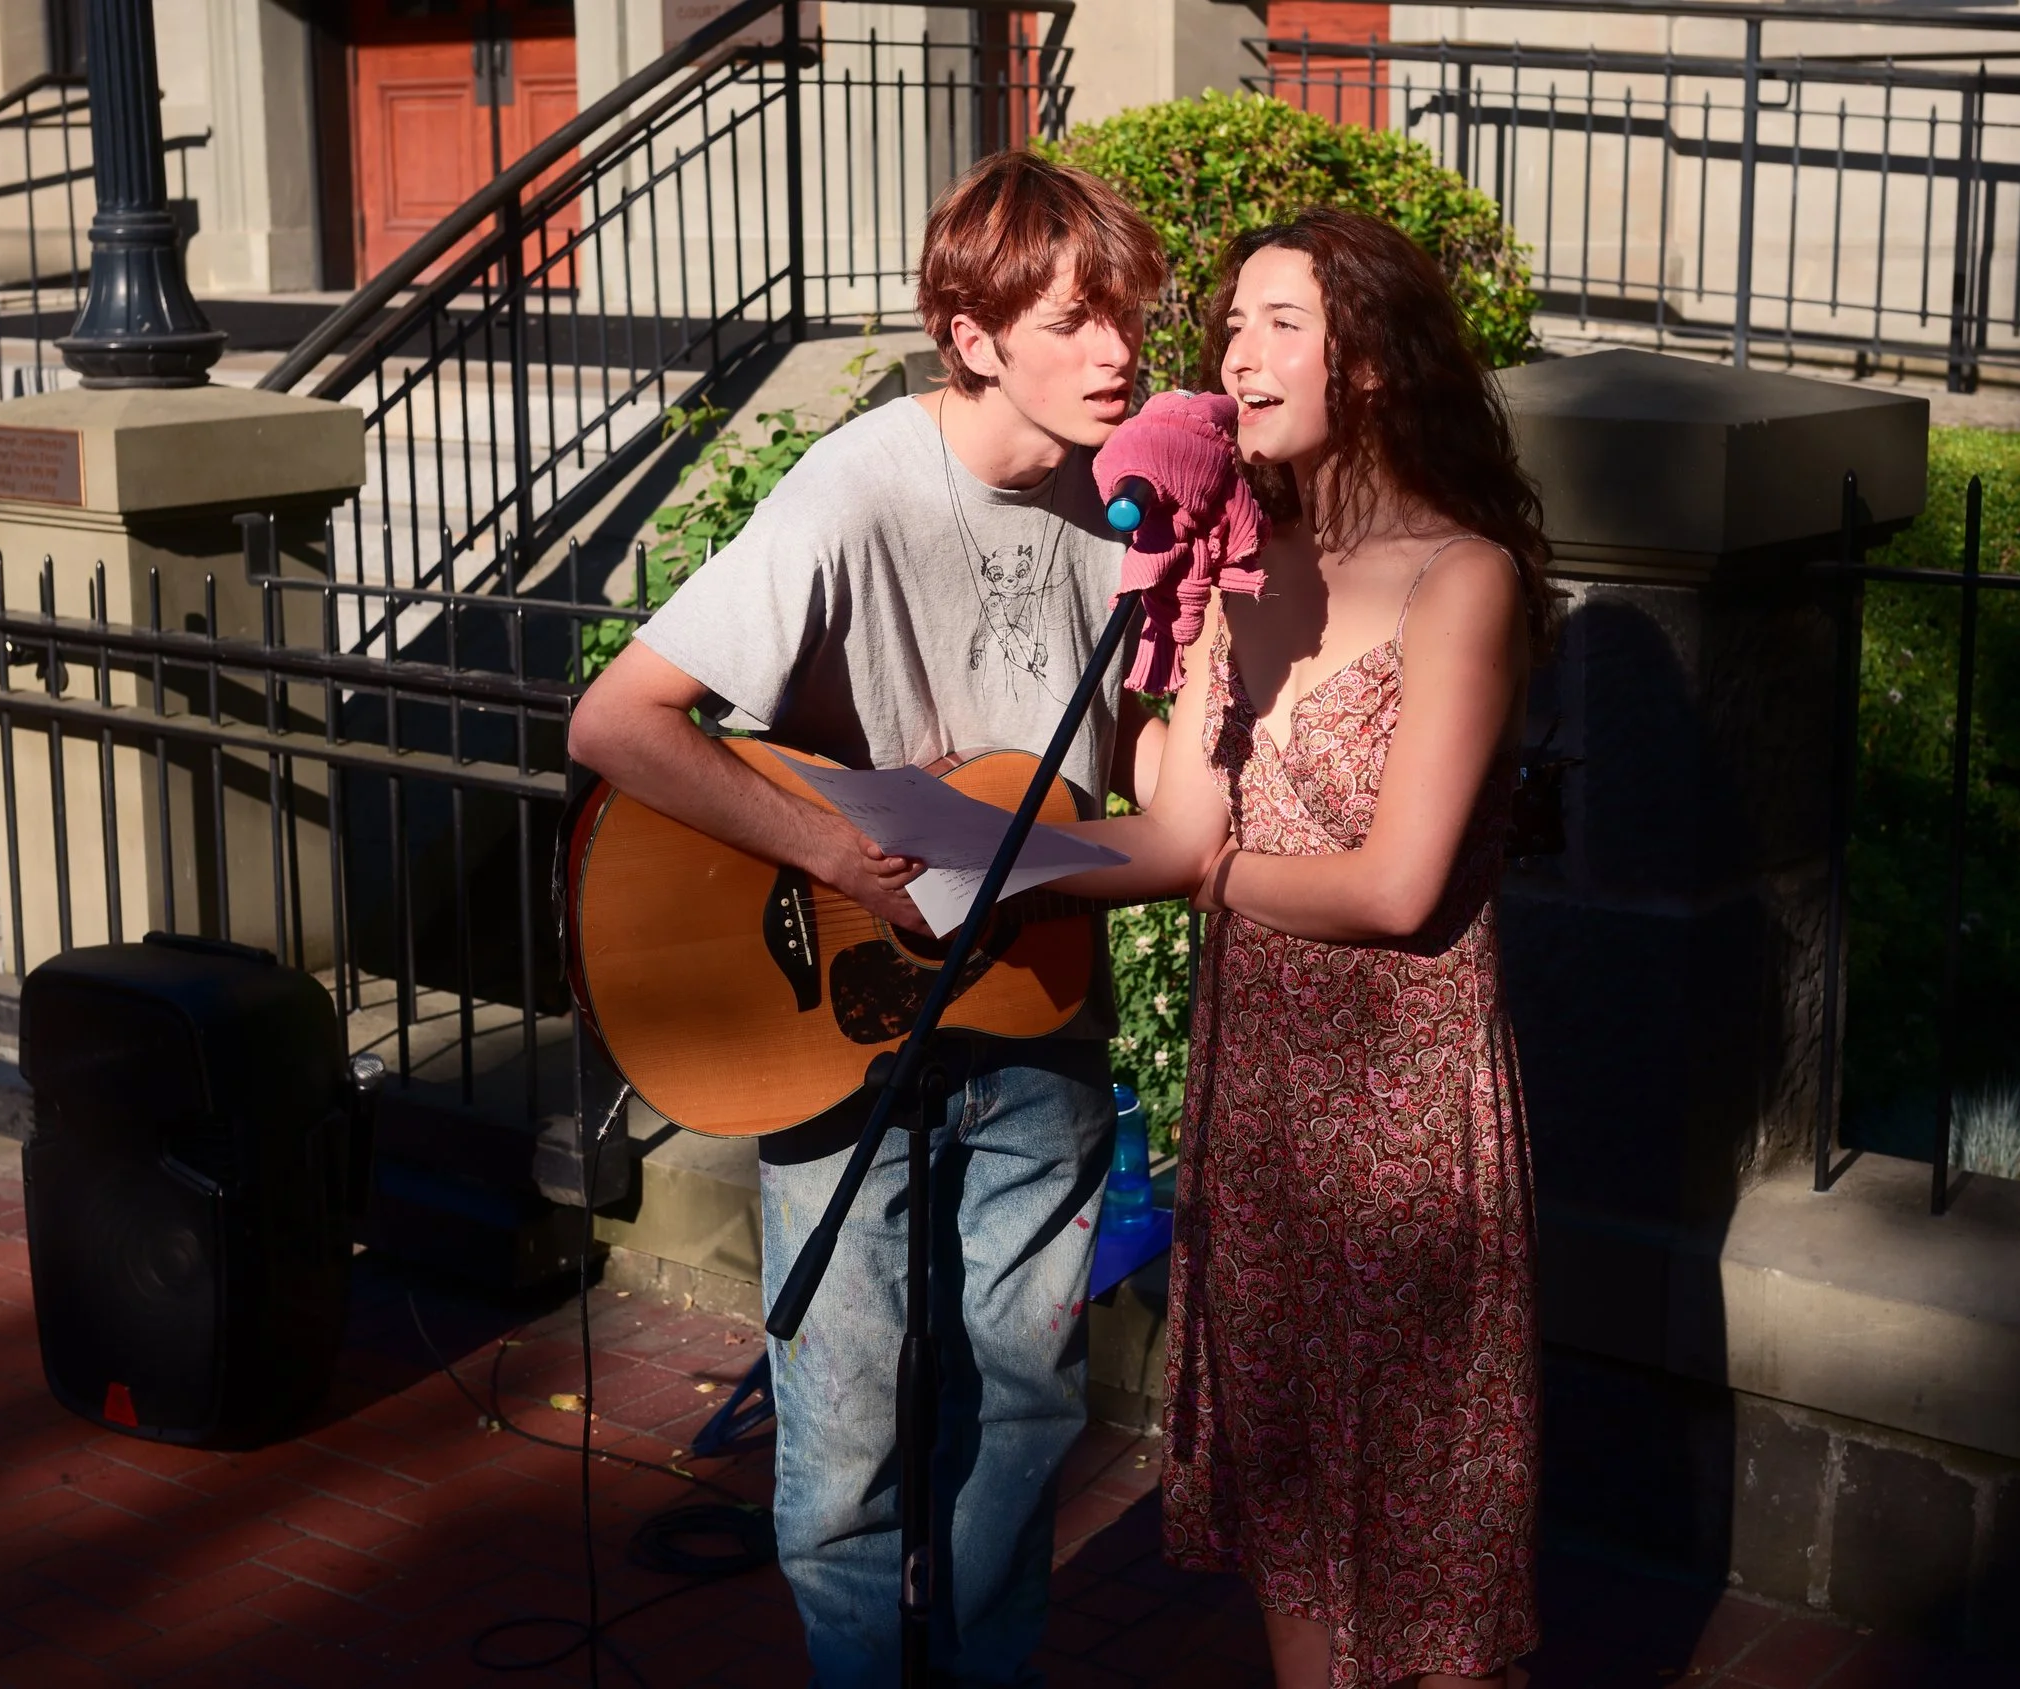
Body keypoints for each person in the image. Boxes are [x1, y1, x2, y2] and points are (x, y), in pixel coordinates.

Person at [565, 151, 1167, 1685]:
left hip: (1035, 1004)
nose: (1120, 353)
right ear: (975, 336)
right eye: (1079, 321)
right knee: (842, 1433)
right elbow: (621, 723)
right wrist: (828, 854)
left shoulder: (1136, 511)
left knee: (1025, 1406)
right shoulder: (860, 485)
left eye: (1131, 318)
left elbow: (1144, 792)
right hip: (841, 1020)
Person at [1061, 207, 1559, 1688]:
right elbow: (1172, 822)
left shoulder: (1462, 578)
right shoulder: (1239, 560)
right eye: (1231, 325)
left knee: (1424, 1533)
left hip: (1402, 1107)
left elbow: (1398, 887)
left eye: (1282, 321)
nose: (1237, 354)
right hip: (1262, 1094)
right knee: (1286, 1507)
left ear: (1377, 361)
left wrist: (1214, 873)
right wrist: (1158, 633)